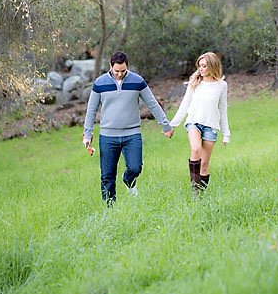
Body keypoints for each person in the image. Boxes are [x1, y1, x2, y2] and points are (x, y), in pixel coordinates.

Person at [83, 51, 174, 204]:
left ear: (127, 67)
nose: (119, 74)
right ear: (110, 66)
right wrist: (87, 133)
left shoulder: (137, 81)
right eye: (116, 71)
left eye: (123, 71)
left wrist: (165, 125)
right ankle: (110, 210)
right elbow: (91, 110)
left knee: (135, 167)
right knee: (107, 176)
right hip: (108, 136)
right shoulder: (99, 83)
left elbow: (152, 103)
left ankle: (128, 179)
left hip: (132, 134)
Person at [169, 51, 231, 193]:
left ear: (212, 66)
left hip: (211, 126)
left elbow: (222, 110)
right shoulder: (195, 82)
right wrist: (172, 124)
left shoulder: (221, 86)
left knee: (204, 165)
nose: (200, 69)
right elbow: (185, 105)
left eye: (204, 66)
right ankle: (194, 192)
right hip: (193, 122)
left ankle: (201, 196)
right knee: (195, 149)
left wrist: (226, 133)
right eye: (199, 66)